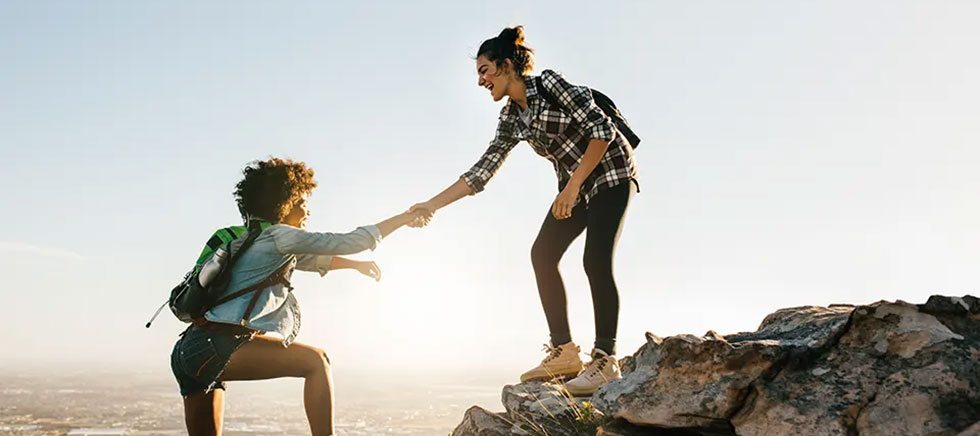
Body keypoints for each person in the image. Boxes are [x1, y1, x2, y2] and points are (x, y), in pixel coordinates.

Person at [410, 26, 639, 396]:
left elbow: (602, 130)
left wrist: (572, 185)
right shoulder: (511, 119)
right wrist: (430, 205)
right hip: (575, 188)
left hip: (611, 173)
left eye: (484, 70)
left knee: (595, 260)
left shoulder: (550, 84)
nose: (481, 80)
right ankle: (564, 352)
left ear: (505, 66)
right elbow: (480, 173)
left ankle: (605, 359)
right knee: (542, 254)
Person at [171, 157, 425, 436]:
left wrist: (355, 266)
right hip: (217, 347)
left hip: (189, 351)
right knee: (317, 362)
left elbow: (315, 260)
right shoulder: (282, 237)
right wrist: (404, 218)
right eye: (302, 203)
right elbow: (354, 241)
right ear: (285, 204)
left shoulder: (247, 239)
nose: (307, 211)